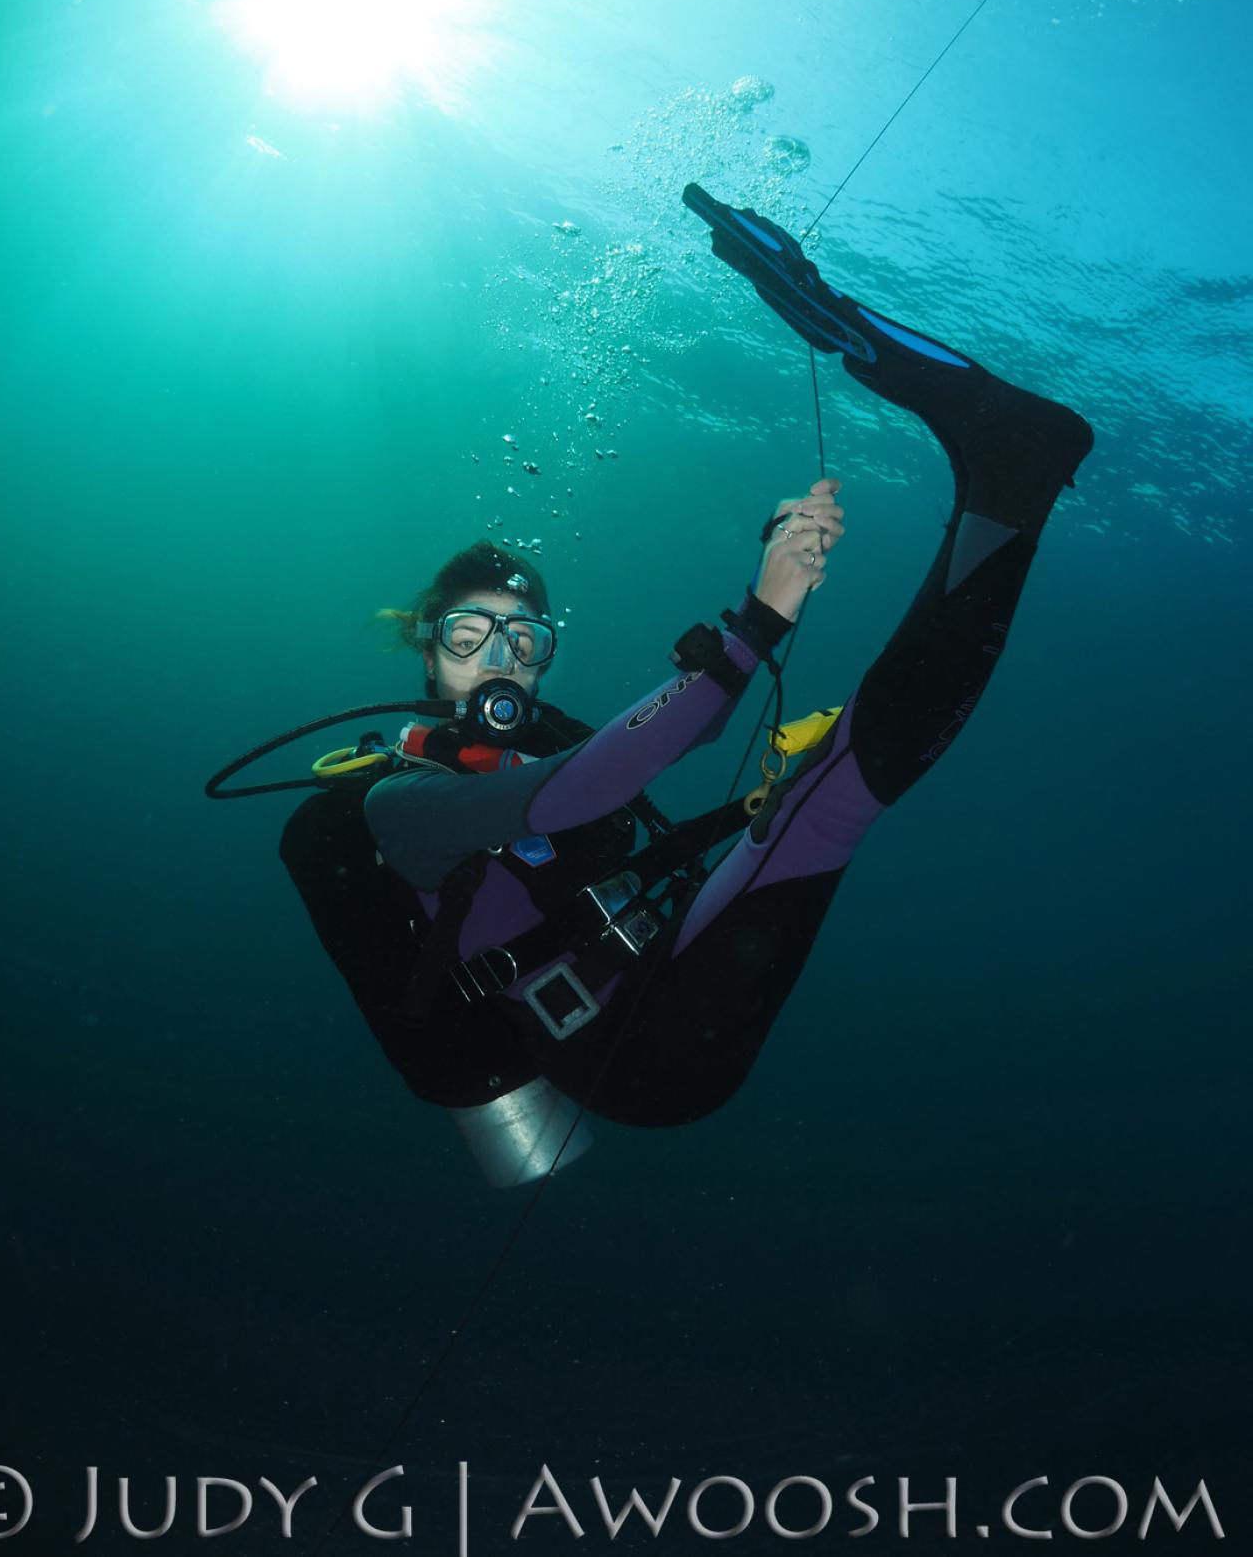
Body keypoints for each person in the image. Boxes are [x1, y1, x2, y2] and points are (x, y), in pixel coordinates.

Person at [281, 195, 1092, 1177]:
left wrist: (745, 790)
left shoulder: (539, 757)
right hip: (636, 1060)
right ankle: (1009, 477)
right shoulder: (400, 803)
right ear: (425, 651)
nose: (499, 657)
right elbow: (585, 787)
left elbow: (629, 787)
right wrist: (757, 620)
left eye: (522, 635)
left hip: (656, 985)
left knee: (818, 789)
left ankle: (1006, 486)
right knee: (834, 796)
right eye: (468, 633)